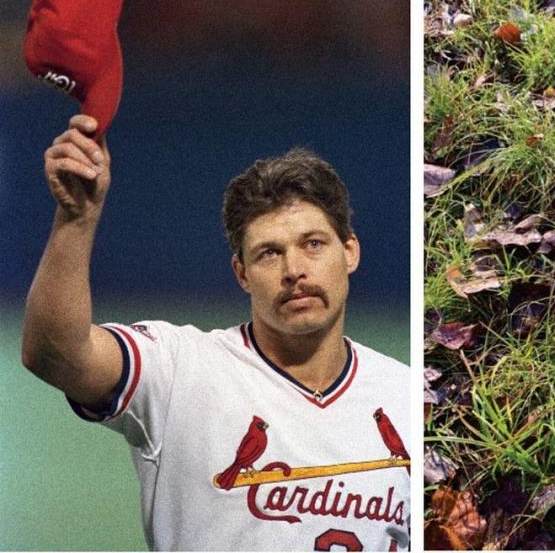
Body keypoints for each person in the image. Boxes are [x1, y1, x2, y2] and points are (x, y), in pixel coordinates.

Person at [21, 115, 411, 551]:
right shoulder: (181, 370)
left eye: (313, 244)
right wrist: (76, 219)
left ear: (350, 251)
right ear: (241, 274)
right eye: (269, 253)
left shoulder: (406, 395)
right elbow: (56, 353)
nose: (294, 270)